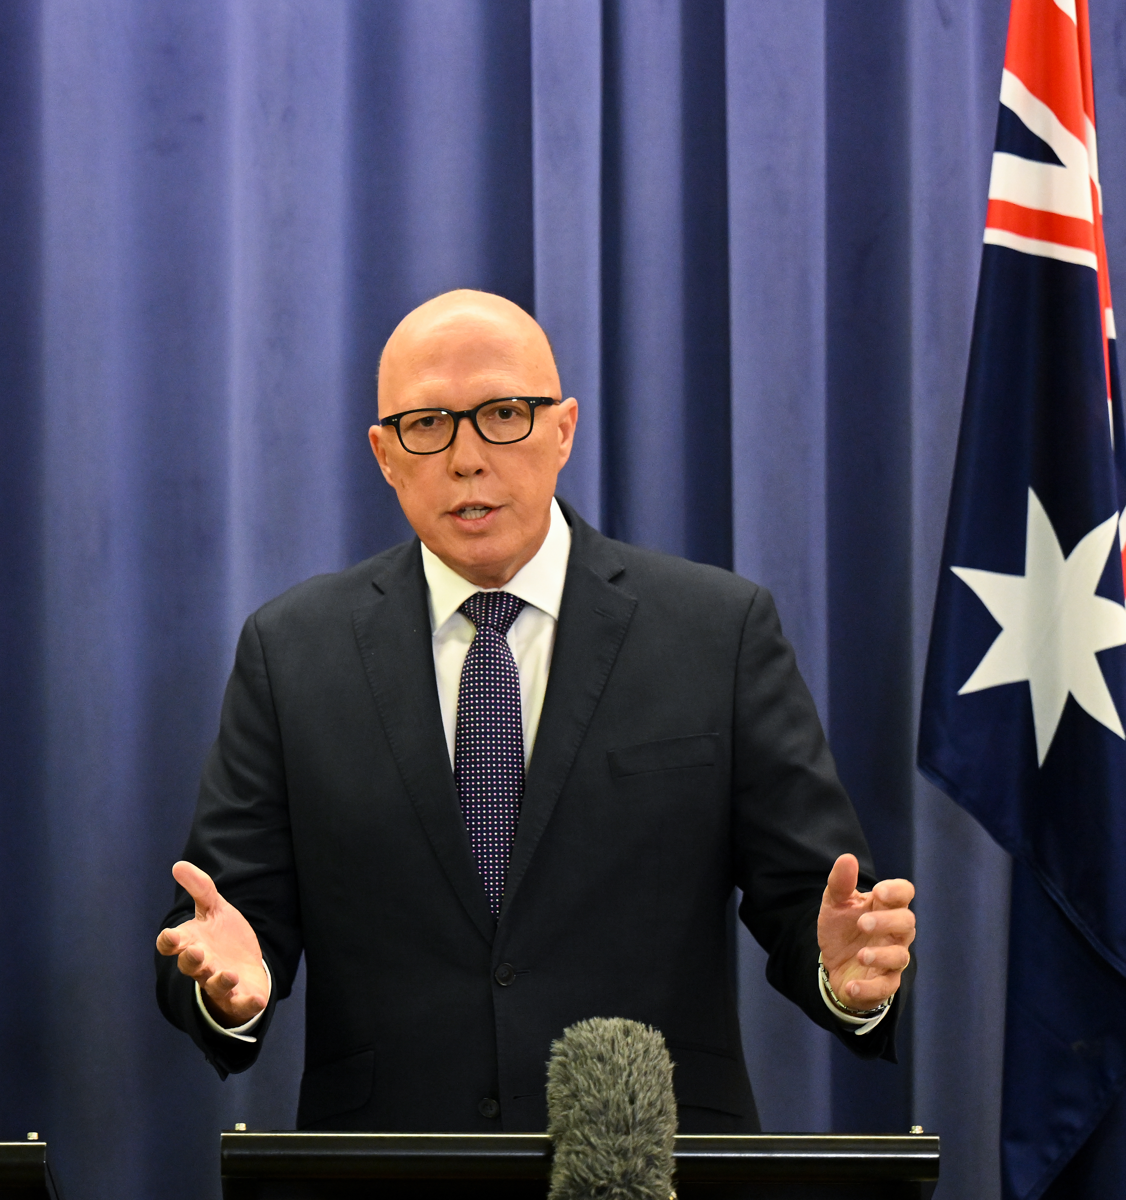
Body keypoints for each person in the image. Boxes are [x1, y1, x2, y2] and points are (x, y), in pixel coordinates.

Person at [154, 290, 916, 1132]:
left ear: (563, 429)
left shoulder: (717, 631)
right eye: (427, 425)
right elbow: (224, 922)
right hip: (385, 1180)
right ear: (384, 454)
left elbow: (812, 898)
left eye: (504, 414)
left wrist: (840, 970)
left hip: (649, 1171)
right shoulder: (292, 650)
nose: (467, 457)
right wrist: (221, 986)